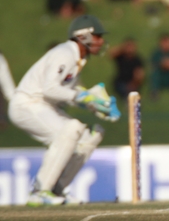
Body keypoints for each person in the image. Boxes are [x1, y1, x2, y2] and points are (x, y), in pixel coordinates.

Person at [8, 15, 117, 205]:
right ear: (83, 36)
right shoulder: (65, 53)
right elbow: (50, 88)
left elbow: (71, 94)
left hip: (44, 105)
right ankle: (39, 191)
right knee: (71, 129)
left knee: (89, 137)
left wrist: (97, 106)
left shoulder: (77, 61)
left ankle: (56, 189)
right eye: (97, 36)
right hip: (27, 104)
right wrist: (80, 96)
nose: (101, 41)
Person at [150, 33, 169, 99]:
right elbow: (155, 63)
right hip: (161, 76)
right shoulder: (157, 53)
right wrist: (164, 64)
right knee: (156, 73)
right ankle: (155, 91)